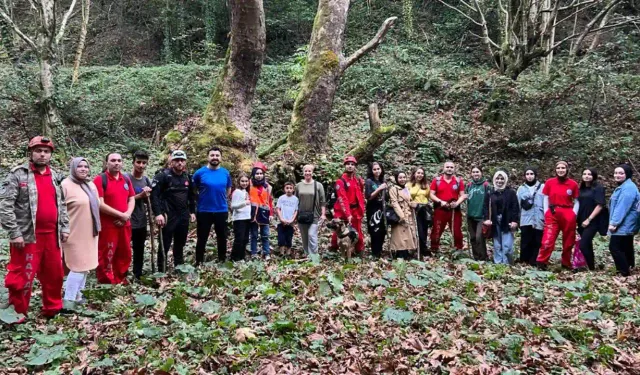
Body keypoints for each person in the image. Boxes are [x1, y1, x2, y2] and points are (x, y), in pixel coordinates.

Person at [1, 136, 69, 321]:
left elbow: (61, 204)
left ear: (50, 155)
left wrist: (64, 227)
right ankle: (17, 313)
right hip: (27, 236)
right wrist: (15, 233)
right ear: (31, 153)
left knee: (54, 274)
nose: (42, 154)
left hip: (52, 236)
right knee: (22, 275)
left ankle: (53, 308)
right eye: (38, 151)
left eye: (46, 152)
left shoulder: (54, 175)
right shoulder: (18, 174)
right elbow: (5, 205)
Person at [61, 158, 100, 304]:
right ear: (72, 168)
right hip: (73, 232)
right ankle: (68, 299)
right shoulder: (65, 185)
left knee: (86, 265)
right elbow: (60, 209)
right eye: (79, 166)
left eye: (86, 166)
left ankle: (78, 296)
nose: (83, 169)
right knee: (78, 266)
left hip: (90, 232)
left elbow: (97, 204)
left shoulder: (90, 185)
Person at [151, 150, 196, 271]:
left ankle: (179, 267)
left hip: (183, 215)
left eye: (182, 160)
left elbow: (191, 196)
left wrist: (192, 212)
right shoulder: (163, 176)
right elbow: (154, 196)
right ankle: (161, 270)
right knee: (164, 243)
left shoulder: (188, 177)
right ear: (171, 162)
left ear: (185, 162)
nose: (179, 163)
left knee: (180, 243)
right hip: (168, 214)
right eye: (177, 160)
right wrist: (158, 214)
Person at [94, 153, 135, 284]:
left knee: (125, 252)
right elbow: (100, 204)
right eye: (113, 160)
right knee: (106, 254)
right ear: (106, 163)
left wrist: (127, 214)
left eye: (119, 160)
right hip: (108, 226)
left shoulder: (126, 179)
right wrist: (120, 215)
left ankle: (120, 278)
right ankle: (106, 282)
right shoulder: (100, 179)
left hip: (125, 224)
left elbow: (131, 198)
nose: (116, 163)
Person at [536, 161, 580, 269]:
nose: (561, 170)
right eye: (558, 168)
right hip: (553, 212)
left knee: (569, 241)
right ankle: (542, 262)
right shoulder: (550, 182)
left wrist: (574, 213)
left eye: (563, 168)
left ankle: (566, 263)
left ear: (567, 169)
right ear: (555, 170)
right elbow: (545, 197)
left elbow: (578, 200)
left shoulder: (573, 184)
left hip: (568, 213)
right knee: (548, 239)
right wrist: (546, 211)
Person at [193, 147, 232, 264]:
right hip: (204, 210)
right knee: (202, 237)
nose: (215, 157)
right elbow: (193, 189)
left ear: (221, 158)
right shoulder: (199, 173)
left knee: (222, 237)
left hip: (221, 210)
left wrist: (223, 198)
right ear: (207, 157)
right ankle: (199, 261)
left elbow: (228, 188)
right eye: (212, 155)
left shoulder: (225, 172)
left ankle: (222, 260)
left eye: (217, 155)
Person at [607, 164, 639, 277]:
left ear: (627, 174)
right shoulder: (625, 186)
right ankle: (630, 266)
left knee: (614, 247)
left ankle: (624, 271)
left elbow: (622, 207)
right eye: (616, 173)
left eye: (621, 173)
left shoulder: (628, 188)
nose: (617, 175)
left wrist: (614, 223)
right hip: (627, 224)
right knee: (626, 246)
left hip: (624, 224)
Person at [429, 161, 467, 253]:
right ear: (443, 168)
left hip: (454, 210)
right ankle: (434, 249)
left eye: (451, 167)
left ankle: (458, 249)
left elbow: (462, 195)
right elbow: (431, 194)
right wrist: (440, 201)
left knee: (457, 231)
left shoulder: (458, 181)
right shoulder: (436, 180)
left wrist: (457, 203)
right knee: (436, 230)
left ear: (454, 169)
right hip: (440, 209)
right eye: (447, 167)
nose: (449, 169)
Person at [483, 170, 519, 264]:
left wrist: (515, 221)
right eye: (497, 178)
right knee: (497, 243)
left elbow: (515, 207)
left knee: (507, 244)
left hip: (507, 220)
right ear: (494, 179)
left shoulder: (511, 193)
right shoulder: (490, 192)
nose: (499, 181)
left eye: (502, 178)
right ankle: (498, 263)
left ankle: (507, 263)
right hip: (495, 221)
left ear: (505, 180)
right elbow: (486, 206)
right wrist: (487, 219)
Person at [331, 156, 366, 254]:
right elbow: (343, 199)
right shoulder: (340, 182)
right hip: (342, 210)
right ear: (345, 166)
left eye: (352, 164)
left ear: (355, 167)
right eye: (348, 164)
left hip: (355, 210)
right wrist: (348, 214)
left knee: (357, 230)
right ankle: (334, 249)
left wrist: (361, 209)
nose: (350, 166)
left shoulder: (357, 180)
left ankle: (359, 250)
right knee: (338, 230)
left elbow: (360, 195)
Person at [126, 150, 153, 279]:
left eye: (144, 163)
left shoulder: (146, 180)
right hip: (127, 220)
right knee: (125, 250)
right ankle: (122, 274)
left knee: (139, 249)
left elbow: (149, 202)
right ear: (133, 162)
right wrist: (139, 196)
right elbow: (122, 199)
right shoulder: (126, 179)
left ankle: (137, 274)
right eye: (138, 162)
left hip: (141, 221)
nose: (141, 165)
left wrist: (148, 196)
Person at [576, 168, 607, 271]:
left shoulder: (598, 188)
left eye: (589, 174)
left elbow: (600, 205)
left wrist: (589, 219)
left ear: (593, 176)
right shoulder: (581, 188)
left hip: (593, 221)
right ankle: (591, 267)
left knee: (583, 244)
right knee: (587, 244)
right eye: (584, 174)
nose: (586, 176)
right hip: (581, 220)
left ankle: (591, 267)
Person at [295, 165, 326, 256]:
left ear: (312, 172)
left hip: (314, 214)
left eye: (309, 171)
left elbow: (322, 201)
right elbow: (295, 200)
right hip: (301, 215)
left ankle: (314, 257)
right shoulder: (298, 185)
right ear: (303, 172)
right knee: (304, 236)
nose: (307, 173)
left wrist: (323, 214)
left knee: (312, 235)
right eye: (306, 171)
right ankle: (307, 254)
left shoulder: (318, 185)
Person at [516, 167, 545, 266]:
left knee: (537, 241)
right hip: (525, 218)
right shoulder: (521, 189)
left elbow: (546, 203)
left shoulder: (543, 187)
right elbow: (518, 205)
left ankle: (535, 261)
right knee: (525, 241)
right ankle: (524, 260)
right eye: (527, 174)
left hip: (539, 218)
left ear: (535, 175)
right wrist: (517, 219)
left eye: (531, 174)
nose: (529, 176)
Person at [389, 171, 418, 259]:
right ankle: (399, 253)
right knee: (399, 235)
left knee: (407, 235)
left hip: (408, 214)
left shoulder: (406, 188)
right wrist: (401, 216)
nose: (402, 179)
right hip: (399, 216)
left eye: (404, 177)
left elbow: (409, 200)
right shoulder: (393, 189)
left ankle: (406, 252)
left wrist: (413, 203)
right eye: (400, 178)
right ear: (397, 179)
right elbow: (394, 203)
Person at [249, 162, 274, 260]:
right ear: (253, 174)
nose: (259, 176)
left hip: (264, 213)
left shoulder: (267, 186)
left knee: (265, 235)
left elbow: (270, 201)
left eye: (261, 174)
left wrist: (271, 214)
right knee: (254, 234)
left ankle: (266, 252)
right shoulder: (249, 184)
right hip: (253, 213)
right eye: (257, 174)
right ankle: (254, 253)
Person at [465, 166, 490, 261]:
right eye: (474, 172)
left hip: (482, 216)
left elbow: (490, 201)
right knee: (472, 238)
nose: (476, 174)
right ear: (471, 174)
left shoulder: (486, 185)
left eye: (477, 172)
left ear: (481, 173)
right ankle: (476, 257)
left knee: (479, 237)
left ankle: (483, 258)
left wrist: (488, 216)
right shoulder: (469, 185)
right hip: (471, 215)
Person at [364, 162, 388, 259]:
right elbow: (369, 197)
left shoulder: (383, 181)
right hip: (373, 209)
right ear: (372, 171)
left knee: (382, 231)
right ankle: (375, 252)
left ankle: (380, 250)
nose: (377, 171)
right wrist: (379, 189)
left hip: (382, 209)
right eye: (374, 169)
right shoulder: (369, 181)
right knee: (375, 231)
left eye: (378, 169)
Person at [407, 167, 431, 257]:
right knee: (416, 229)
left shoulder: (426, 185)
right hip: (414, 209)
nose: (420, 175)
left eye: (422, 173)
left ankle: (422, 248)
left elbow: (428, 197)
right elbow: (406, 197)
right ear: (414, 174)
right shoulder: (409, 185)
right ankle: (415, 248)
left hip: (424, 209)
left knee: (424, 230)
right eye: (418, 173)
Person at [230, 174, 252, 261]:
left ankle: (241, 257)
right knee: (239, 239)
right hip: (239, 219)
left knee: (245, 239)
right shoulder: (237, 192)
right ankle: (234, 258)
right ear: (239, 182)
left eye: (246, 181)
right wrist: (244, 203)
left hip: (247, 218)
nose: (244, 183)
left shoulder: (246, 192)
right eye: (242, 181)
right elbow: (233, 206)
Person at [276, 182, 299, 257]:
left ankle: (288, 253)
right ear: (284, 189)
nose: (289, 190)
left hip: (290, 223)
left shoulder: (295, 199)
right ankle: (281, 253)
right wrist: (281, 219)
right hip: (281, 222)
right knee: (281, 237)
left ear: (293, 189)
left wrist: (292, 220)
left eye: (290, 188)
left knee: (289, 237)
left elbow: (296, 210)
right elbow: (278, 209)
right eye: (287, 188)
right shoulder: (281, 198)